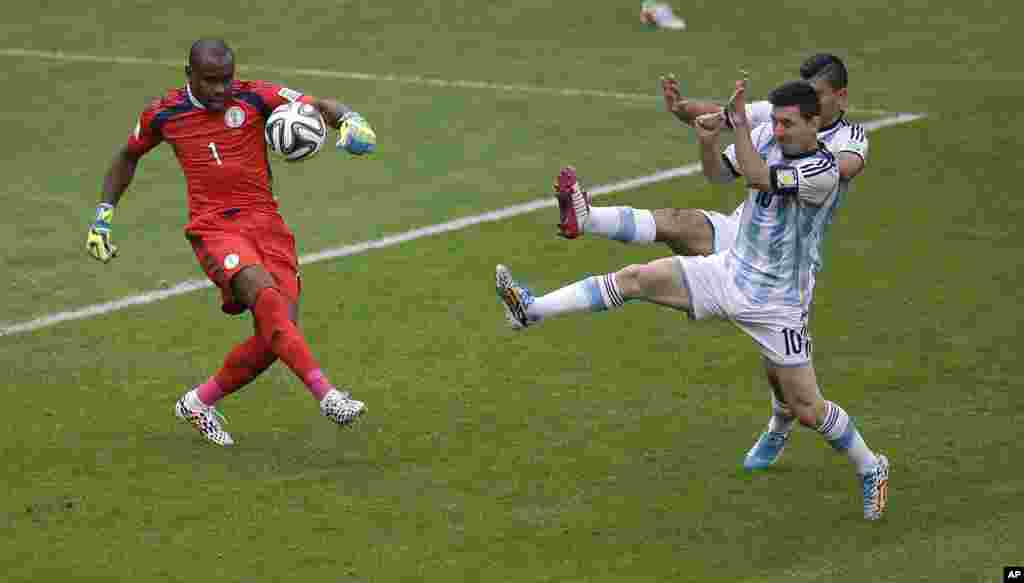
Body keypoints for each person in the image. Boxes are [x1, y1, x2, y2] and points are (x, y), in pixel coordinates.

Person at [496, 78, 889, 520]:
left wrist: (738, 124)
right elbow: (721, 174)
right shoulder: (764, 136)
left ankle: (871, 466)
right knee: (636, 279)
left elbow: (759, 177)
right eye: (774, 122)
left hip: (778, 302)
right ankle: (531, 310)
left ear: (815, 122)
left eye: (788, 124)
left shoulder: (822, 170)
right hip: (730, 271)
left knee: (807, 409)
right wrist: (708, 141)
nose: (777, 131)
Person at [554, 54, 869, 470]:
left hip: (787, 266)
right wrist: (690, 114)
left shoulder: (845, 142)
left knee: (790, 388)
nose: (780, 125)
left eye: (816, 96)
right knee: (674, 228)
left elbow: (825, 169)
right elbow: (726, 124)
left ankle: (783, 428)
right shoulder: (775, 121)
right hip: (745, 235)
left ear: (837, 99)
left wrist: (752, 134)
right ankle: (582, 224)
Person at [85, 39, 377, 446]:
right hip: (215, 229)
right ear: (189, 76)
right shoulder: (164, 113)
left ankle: (196, 403)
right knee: (269, 303)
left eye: (226, 79)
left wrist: (351, 120)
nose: (222, 90)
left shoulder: (254, 96)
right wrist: (104, 215)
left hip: (267, 226)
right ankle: (328, 396)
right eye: (211, 81)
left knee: (278, 334)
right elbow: (127, 156)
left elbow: (320, 105)